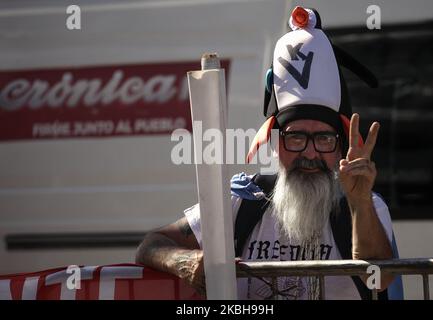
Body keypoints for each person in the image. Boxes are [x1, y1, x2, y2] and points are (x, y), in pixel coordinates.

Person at [136, 6, 402, 300]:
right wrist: (183, 262)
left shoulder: (365, 205)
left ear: (339, 146)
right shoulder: (243, 203)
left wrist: (360, 201)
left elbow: (381, 279)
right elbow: (151, 244)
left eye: (324, 139)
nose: (310, 153)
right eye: (296, 138)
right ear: (275, 144)